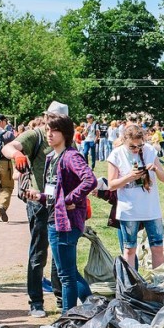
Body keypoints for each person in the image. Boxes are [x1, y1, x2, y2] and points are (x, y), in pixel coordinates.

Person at [4, 112, 62, 318]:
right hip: (38, 202)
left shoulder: (66, 137)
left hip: (60, 203)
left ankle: (61, 298)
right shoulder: (35, 135)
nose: (53, 126)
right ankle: (36, 301)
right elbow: (8, 147)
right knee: (39, 252)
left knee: (59, 253)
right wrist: (17, 155)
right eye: (51, 120)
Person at [37, 114, 96, 311]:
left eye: (54, 130)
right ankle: (93, 306)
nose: (49, 134)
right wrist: (39, 196)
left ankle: (68, 318)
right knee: (69, 272)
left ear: (65, 133)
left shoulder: (70, 156)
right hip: (55, 219)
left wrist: (69, 200)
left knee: (66, 276)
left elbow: (90, 180)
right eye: (47, 130)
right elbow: (53, 190)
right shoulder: (51, 157)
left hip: (66, 223)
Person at [107, 124, 164, 269]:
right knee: (129, 249)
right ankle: (131, 285)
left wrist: (155, 169)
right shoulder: (116, 154)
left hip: (151, 208)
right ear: (124, 141)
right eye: (132, 147)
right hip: (129, 209)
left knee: (157, 247)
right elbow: (111, 185)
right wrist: (129, 177)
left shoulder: (149, 150)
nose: (136, 150)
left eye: (139, 146)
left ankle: (159, 283)